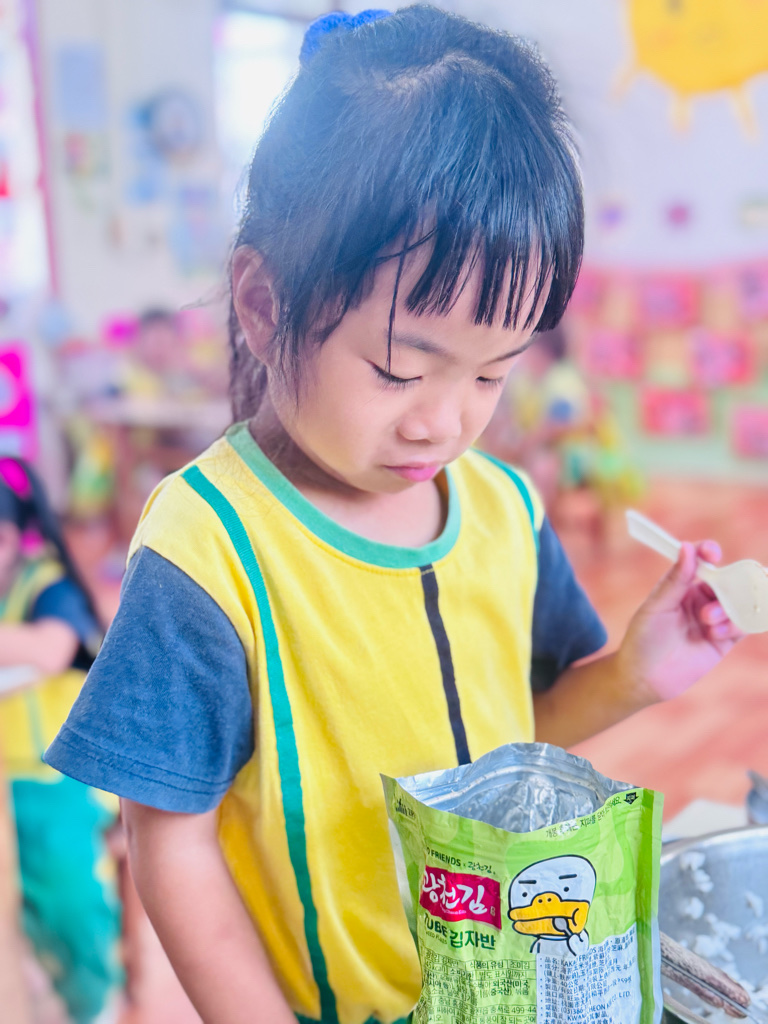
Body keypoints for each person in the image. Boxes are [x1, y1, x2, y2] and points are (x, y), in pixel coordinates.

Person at [45, 8, 741, 1024]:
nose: (443, 421)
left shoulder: (504, 509)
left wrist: (636, 672)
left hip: (510, 986)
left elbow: (519, 739)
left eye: (491, 373)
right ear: (263, 305)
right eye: (399, 368)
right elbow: (170, 841)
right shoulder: (209, 549)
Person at [0, 457, 123, 1024]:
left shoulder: (48, 585)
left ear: (9, 539)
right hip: (10, 783)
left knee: (72, 905)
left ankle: (93, 1007)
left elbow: (51, 649)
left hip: (57, 783)